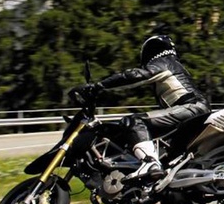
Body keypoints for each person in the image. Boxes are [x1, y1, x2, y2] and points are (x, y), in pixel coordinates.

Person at [77, 35, 210, 179]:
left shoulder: (164, 62)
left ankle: (150, 163)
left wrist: (99, 86)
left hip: (191, 108)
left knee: (134, 121)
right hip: (192, 110)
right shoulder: (175, 65)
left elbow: (134, 76)